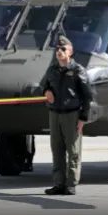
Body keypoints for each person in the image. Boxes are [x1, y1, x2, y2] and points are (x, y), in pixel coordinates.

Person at [42, 35, 93, 196]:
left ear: (70, 52)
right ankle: (58, 184)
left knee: (73, 151)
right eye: (57, 49)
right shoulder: (52, 70)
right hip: (54, 114)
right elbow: (44, 86)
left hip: (72, 115)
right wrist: (46, 92)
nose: (59, 51)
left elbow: (87, 96)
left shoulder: (78, 70)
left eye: (63, 49)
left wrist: (83, 118)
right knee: (56, 150)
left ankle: (71, 184)